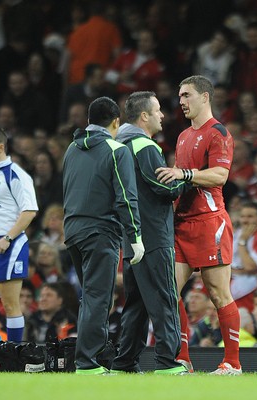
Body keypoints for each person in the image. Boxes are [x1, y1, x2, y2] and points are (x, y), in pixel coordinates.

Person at [156, 75, 241, 375]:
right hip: (182, 224)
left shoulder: (218, 132)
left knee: (218, 294)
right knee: (169, 292)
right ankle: (183, 359)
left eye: (187, 95)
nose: (181, 101)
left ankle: (232, 362)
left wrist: (184, 175)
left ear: (205, 97)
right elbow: (180, 180)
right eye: (180, 96)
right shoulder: (181, 137)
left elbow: (219, 176)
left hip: (209, 222)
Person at [63, 96, 144, 375]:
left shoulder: (71, 150)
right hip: (100, 232)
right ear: (116, 122)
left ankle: (85, 357)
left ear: (88, 121)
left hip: (72, 230)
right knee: (99, 298)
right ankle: (86, 363)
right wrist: (135, 236)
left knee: (91, 297)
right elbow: (126, 198)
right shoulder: (116, 150)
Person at [110, 91, 190, 375]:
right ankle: (168, 363)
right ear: (144, 116)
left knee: (137, 304)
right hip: (154, 236)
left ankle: (124, 363)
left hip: (131, 238)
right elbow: (164, 187)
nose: (162, 115)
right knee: (165, 298)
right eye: (157, 111)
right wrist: (181, 177)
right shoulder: (144, 146)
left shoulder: (118, 145)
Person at [0, 127, 38, 343]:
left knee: (10, 303)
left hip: (9, 244)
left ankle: (13, 353)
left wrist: (8, 238)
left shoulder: (16, 174)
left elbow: (29, 210)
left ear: (1, 147)